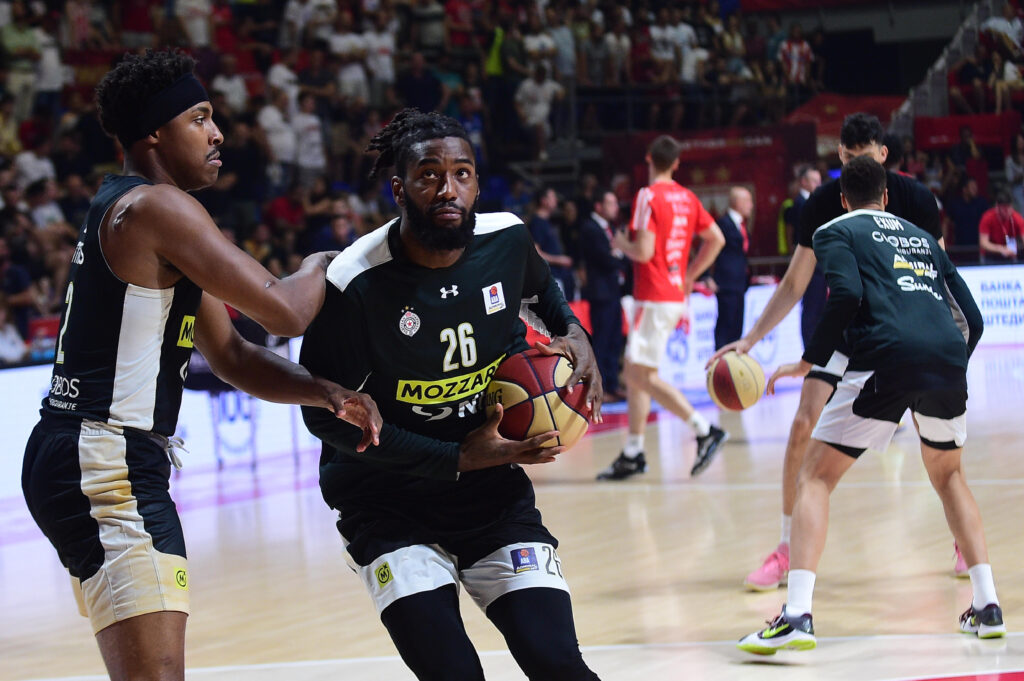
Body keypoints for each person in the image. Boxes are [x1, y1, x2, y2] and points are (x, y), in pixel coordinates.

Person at [20, 50, 381, 681]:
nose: (218, 134)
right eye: (200, 117)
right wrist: (332, 259)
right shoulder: (159, 208)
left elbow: (236, 355)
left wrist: (324, 392)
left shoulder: (139, 210)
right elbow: (284, 313)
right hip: (104, 459)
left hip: (88, 453)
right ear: (156, 133)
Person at [298, 108, 604, 681]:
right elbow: (323, 418)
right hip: (386, 503)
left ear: (477, 184)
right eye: (429, 175)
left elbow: (544, 292)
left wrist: (574, 333)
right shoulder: (355, 281)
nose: (448, 188)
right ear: (399, 189)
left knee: (557, 660)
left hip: (489, 494)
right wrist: (455, 457)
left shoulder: (507, 238)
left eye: (462, 173)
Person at [738, 156, 1004, 654]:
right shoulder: (921, 235)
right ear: (886, 197)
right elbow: (973, 318)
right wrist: (946, 366)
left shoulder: (835, 230)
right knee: (950, 477)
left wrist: (808, 362)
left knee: (814, 477)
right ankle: (987, 606)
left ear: (842, 199)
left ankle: (796, 615)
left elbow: (847, 298)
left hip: (887, 357)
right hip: (946, 359)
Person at [709, 113, 944, 591]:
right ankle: (785, 548)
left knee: (934, 440)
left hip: (904, 331)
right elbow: (795, 281)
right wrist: (751, 339)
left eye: (867, 156)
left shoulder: (916, 199)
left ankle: (961, 540)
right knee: (801, 426)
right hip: (847, 329)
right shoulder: (822, 202)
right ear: (841, 157)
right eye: (850, 157)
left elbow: (939, 276)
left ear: (883, 154)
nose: (859, 165)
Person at [597, 135, 728, 481]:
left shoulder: (647, 195)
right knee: (637, 373)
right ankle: (633, 451)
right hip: (671, 294)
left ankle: (704, 430)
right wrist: (689, 275)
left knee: (638, 376)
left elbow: (642, 251)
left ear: (649, 159)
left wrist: (620, 241)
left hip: (652, 295)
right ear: (677, 163)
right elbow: (717, 239)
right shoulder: (687, 197)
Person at [579, 188, 629, 401]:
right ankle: (599, 389)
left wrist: (618, 256)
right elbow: (605, 259)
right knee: (602, 340)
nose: (615, 207)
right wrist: (619, 256)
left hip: (613, 291)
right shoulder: (590, 228)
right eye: (611, 203)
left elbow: (620, 258)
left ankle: (612, 383)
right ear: (598, 206)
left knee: (615, 340)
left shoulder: (610, 228)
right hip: (600, 293)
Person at [711, 186, 752, 349]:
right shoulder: (723, 223)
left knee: (737, 326)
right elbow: (709, 249)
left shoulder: (741, 225)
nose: (751, 205)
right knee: (725, 326)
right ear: (737, 202)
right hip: (726, 284)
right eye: (748, 201)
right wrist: (707, 276)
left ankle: (733, 364)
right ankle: (720, 364)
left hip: (740, 284)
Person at [978, 188, 1022, 262]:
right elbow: (983, 243)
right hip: (990, 255)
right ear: (997, 207)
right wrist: (1002, 249)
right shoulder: (987, 218)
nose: (1008, 211)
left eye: (1009, 207)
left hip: (1010, 255)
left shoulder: (1016, 218)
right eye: (1005, 209)